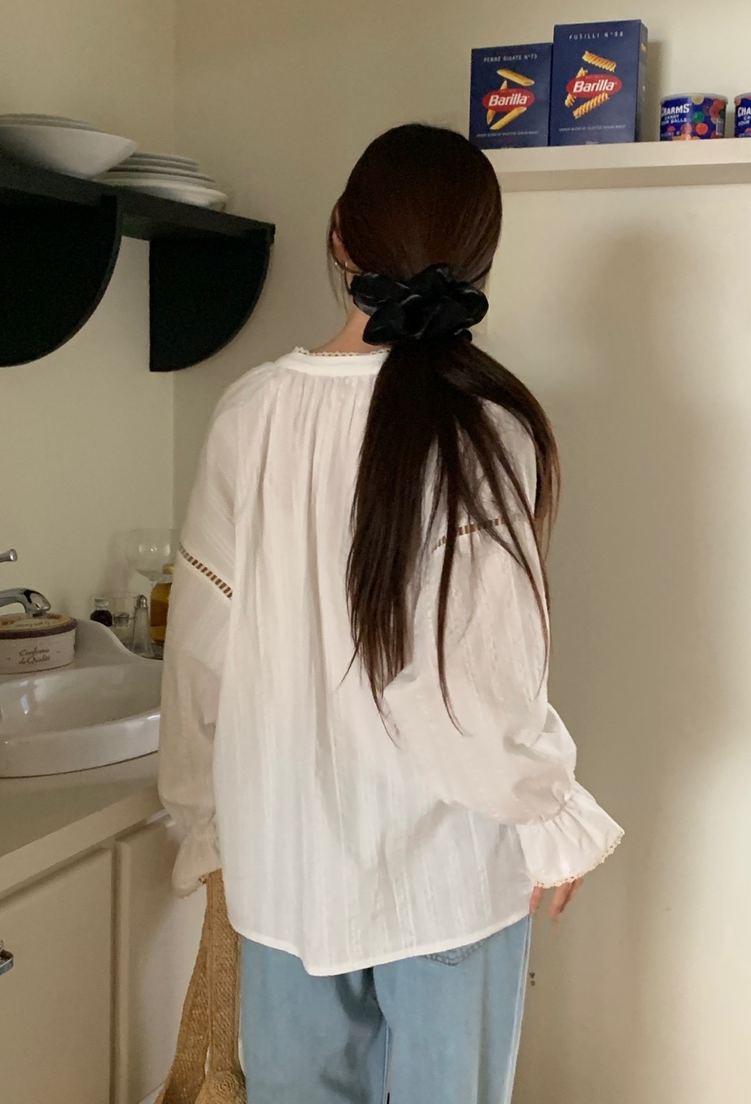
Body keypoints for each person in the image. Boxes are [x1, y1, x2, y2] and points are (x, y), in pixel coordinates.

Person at [159, 123, 623, 1104]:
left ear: (339, 234)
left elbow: (202, 650)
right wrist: (550, 816)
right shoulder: (490, 425)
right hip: (447, 879)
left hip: (285, 872)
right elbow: (474, 683)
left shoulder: (249, 414)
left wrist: (205, 825)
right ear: (480, 264)